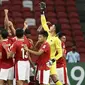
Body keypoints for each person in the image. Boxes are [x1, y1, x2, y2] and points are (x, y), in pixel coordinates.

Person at [40, 2, 63, 85]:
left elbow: (60, 53)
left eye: (52, 26)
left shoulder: (57, 40)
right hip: (44, 60)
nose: (50, 26)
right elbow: (43, 23)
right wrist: (42, 12)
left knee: (53, 77)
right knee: (47, 79)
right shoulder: (48, 34)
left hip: (51, 60)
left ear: (55, 29)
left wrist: (52, 60)